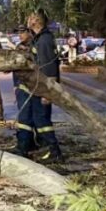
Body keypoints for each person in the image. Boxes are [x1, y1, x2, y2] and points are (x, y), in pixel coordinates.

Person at [23, 10, 63, 162]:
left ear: (36, 21)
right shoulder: (38, 38)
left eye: (30, 17)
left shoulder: (44, 40)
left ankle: (55, 152)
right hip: (38, 86)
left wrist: (48, 92)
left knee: (42, 120)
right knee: (39, 119)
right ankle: (47, 149)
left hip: (43, 88)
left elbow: (49, 67)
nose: (28, 20)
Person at [12, 26, 38, 155]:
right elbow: (15, 67)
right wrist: (15, 85)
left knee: (28, 117)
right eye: (18, 33)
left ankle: (25, 145)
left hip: (33, 86)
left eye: (22, 32)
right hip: (21, 86)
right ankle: (27, 144)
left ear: (29, 32)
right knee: (25, 117)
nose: (20, 35)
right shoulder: (19, 47)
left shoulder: (35, 45)